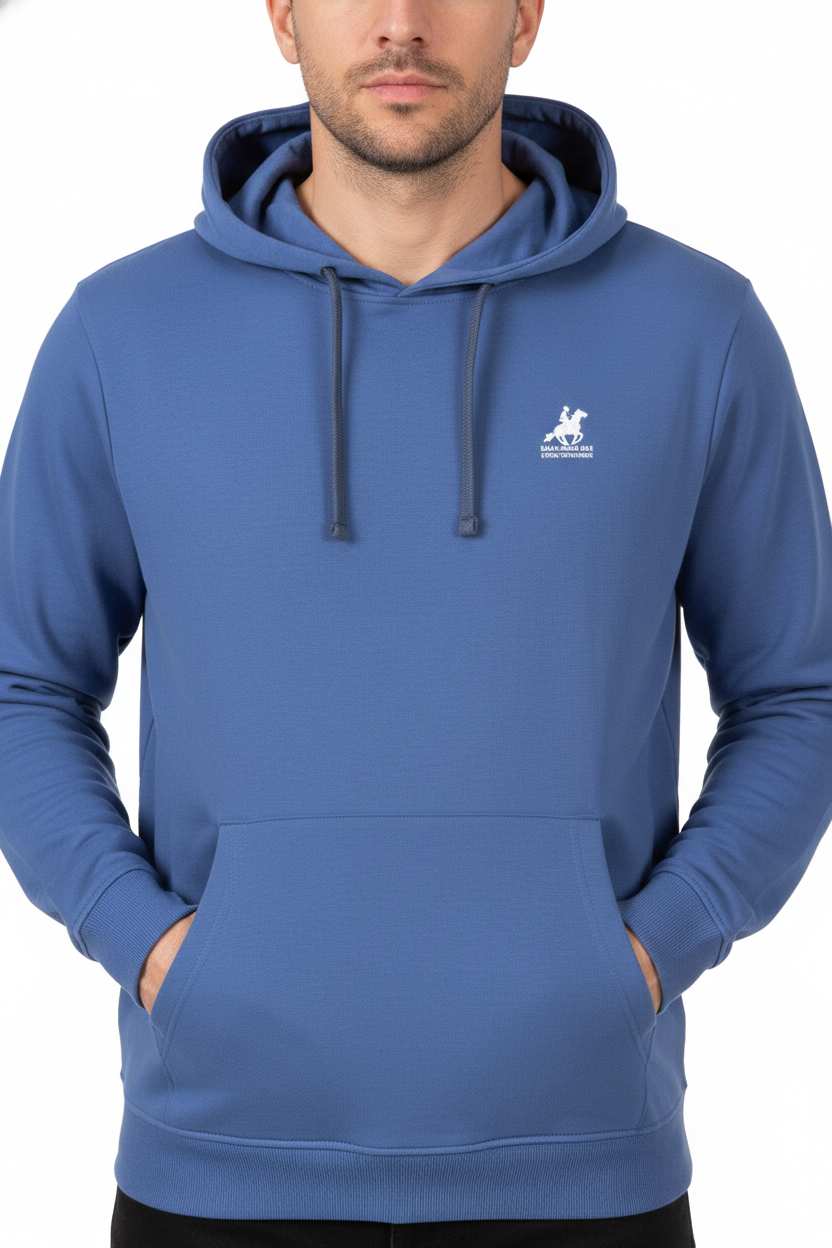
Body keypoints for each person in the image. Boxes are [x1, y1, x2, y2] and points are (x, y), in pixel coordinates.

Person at [0, 0, 830, 1243]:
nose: (400, 22)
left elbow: (797, 692)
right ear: (283, 16)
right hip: (217, 1161)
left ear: (524, 16)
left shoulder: (695, 327)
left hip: (582, 1163)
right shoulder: (121, 334)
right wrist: (152, 946)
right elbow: (23, 685)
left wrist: (654, 949)